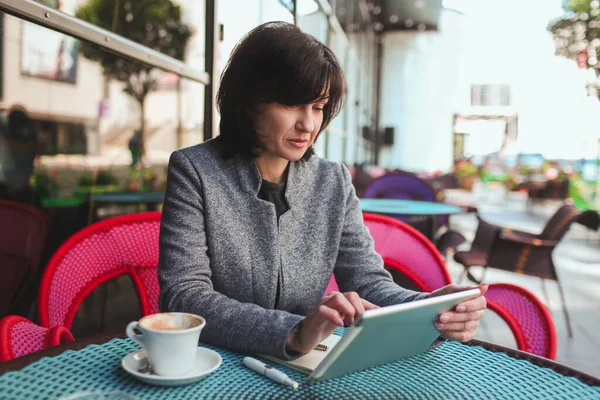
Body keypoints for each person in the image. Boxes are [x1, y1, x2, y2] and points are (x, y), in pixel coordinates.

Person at [158, 22, 487, 360]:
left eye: (318, 107)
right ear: (248, 102)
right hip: (209, 362)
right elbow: (183, 295)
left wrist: (432, 307)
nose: (308, 124)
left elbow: (367, 282)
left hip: (305, 362)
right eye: (292, 105)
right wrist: (294, 331)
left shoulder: (333, 181)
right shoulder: (195, 170)